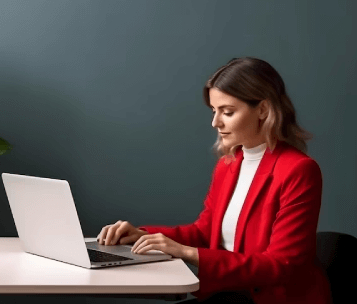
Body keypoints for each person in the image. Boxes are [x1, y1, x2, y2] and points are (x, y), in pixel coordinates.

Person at [96, 57, 333, 304]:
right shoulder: (228, 165)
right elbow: (206, 232)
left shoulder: (299, 170)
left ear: (263, 109)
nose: (215, 122)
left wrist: (187, 253)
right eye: (214, 110)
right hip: (230, 293)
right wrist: (142, 235)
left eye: (227, 112)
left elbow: (280, 265)